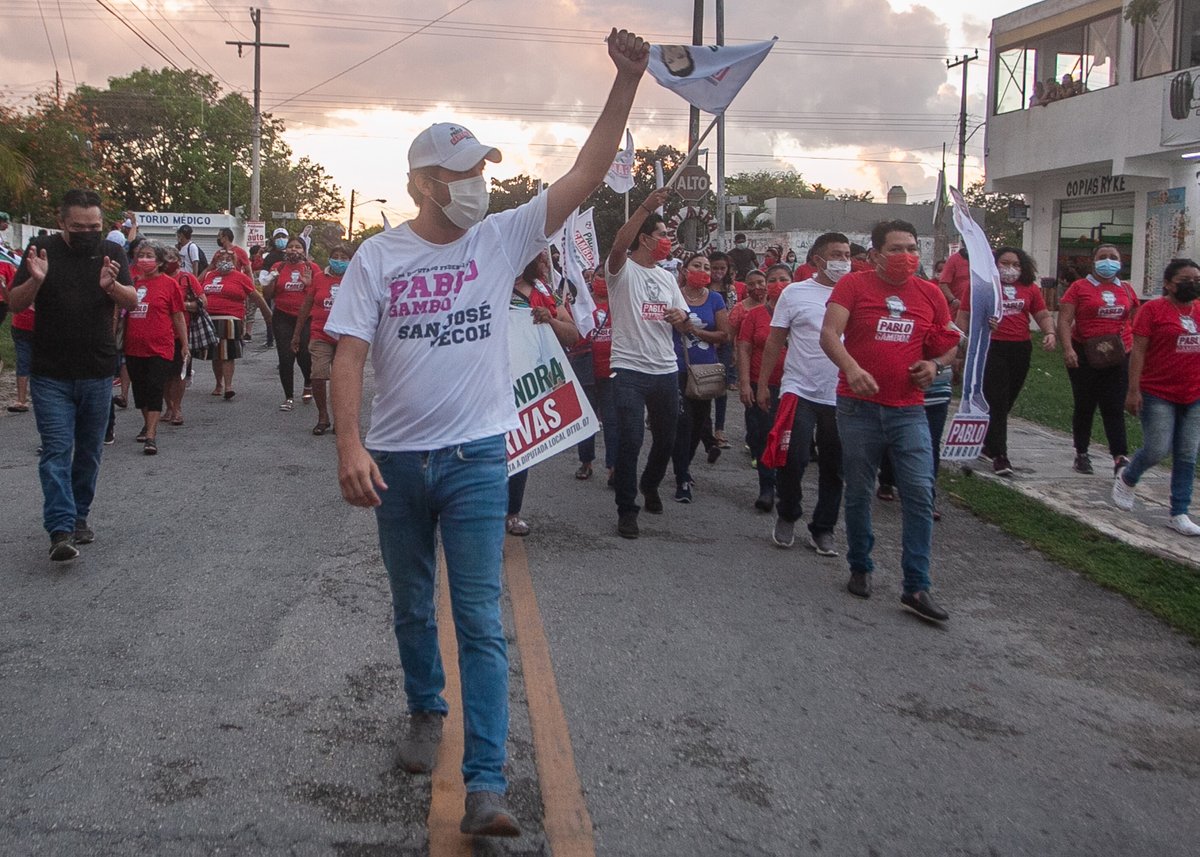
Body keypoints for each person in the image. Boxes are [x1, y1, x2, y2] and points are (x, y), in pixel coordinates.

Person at [325, 28, 651, 836]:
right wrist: (350, 446)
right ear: (426, 184)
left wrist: (627, 83)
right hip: (397, 462)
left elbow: (582, 172)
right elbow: (346, 357)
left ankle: (486, 784)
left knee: (477, 616)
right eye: (466, 174)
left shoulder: (501, 237)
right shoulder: (378, 257)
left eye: (483, 172)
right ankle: (424, 711)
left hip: (477, 459)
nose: (480, 185)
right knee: (409, 605)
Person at [819, 219, 960, 622]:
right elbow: (829, 334)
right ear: (876, 255)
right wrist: (851, 368)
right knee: (860, 489)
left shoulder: (930, 294)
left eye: (911, 248)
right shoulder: (854, 286)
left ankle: (916, 585)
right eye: (896, 249)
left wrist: (934, 365)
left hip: (909, 408)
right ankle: (860, 565)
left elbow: (947, 344)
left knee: (918, 491)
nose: (906, 256)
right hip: (858, 407)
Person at [7, 188, 137, 560]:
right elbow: (15, 303)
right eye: (79, 226)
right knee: (57, 450)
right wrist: (35, 280)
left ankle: (79, 516)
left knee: (90, 452)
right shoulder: (41, 250)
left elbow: (133, 300)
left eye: (94, 225)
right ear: (62, 222)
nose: (87, 232)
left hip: (97, 371)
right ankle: (61, 529)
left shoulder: (111, 252)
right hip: (51, 374)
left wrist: (111, 286)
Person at [758, 233, 850, 557]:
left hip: (840, 392)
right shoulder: (795, 294)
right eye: (836, 255)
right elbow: (774, 341)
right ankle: (788, 513)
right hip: (798, 387)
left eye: (847, 254)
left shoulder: (854, 293)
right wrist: (762, 384)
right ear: (818, 259)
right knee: (794, 457)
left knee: (834, 464)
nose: (843, 261)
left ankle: (823, 528)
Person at [1111, 259, 1200, 535]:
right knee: (1157, 449)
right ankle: (1128, 476)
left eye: (1196, 279)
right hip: (1158, 391)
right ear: (1168, 284)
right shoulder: (1152, 310)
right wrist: (1133, 389)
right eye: (1185, 280)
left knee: (1187, 453)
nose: (1192, 284)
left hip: (1194, 393)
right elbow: (1137, 351)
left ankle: (1179, 512)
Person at [956, 247, 1057, 475]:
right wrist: (959, 345)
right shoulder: (980, 287)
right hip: (991, 347)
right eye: (1004, 263)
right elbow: (964, 315)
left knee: (1007, 399)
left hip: (1020, 347)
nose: (1010, 269)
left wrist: (1049, 332)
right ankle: (1001, 456)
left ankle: (988, 442)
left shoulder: (1030, 289)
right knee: (998, 400)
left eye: (1015, 264)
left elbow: (1041, 314)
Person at [506, 251, 580, 534]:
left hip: (528, 382)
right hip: (490, 381)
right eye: (541, 259)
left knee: (520, 447)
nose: (548, 265)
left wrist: (550, 320)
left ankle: (512, 512)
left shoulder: (546, 293)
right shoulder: (492, 286)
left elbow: (572, 334)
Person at [1058, 244, 1139, 475]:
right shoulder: (1079, 288)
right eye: (1102, 257)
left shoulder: (1126, 289)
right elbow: (1064, 319)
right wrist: (1067, 349)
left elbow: (1134, 318)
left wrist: (1131, 343)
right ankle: (1081, 453)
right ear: (1093, 261)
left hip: (1118, 353)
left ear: (1120, 262)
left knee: (1113, 405)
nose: (1108, 261)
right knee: (1085, 404)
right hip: (1084, 351)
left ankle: (1120, 456)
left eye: (1113, 257)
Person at [671, 252, 730, 503]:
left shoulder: (715, 299)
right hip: (676, 368)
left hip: (705, 372)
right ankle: (681, 476)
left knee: (697, 425)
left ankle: (685, 464)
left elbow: (724, 335)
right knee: (681, 425)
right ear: (685, 270)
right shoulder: (673, 295)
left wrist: (694, 331)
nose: (703, 270)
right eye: (697, 265)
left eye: (706, 267)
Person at [123, 242, 187, 455]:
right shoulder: (131, 283)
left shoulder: (169, 285)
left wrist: (185, 344)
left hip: (160, 346)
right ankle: (147, 422)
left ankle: (151, 435)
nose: (143, 259)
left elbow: (177, 315)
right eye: (140, 255)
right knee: (140, 392)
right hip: (133, 346)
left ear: (159, 261)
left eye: (149, 255)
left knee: (154, 387)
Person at [738, 264, 788, 511]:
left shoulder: (801, 312)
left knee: (788, 439)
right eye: (773, 280)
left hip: (792, 385)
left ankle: (785, 485)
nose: (778, 285)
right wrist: (746, 383)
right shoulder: (756, 315)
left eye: (784, 279)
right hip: (762, 384)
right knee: (762, 436)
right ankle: (767, 486)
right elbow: (744, 348)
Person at [292, 243, 352, 436]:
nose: (339, 260)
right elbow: (306, 306)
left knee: (342, 380)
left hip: (346, 336)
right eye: (336, 256)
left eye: (344, 257)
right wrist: (296, 334)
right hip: (321, 333)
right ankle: (323, 416)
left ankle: (340, 420)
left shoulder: (355, 278)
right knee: (318, 374)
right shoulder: (319, 279)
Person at [200, 246, 271, 399]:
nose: (224, 261)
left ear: (235, 262)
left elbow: (256, 297)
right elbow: (196, 287)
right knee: (215, 355)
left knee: (227, 354)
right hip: (210, 319)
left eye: (228, 259)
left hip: (231, 319)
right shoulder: (209, 275)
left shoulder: (241, 277)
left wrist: (268, 316)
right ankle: (218, 383)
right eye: (221, 258)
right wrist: (209, 268)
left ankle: (228, 385)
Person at [264, 236, 320, 410]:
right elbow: (267, 294)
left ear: (304, 251)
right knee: (286, 357)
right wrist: (271, 280)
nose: (293, 250)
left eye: (298, 247)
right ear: (285, 250)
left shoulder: (312, 268)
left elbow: (317, 294)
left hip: (305, 317)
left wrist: (308, 284)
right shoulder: (278, 267)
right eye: (290, 247)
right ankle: (288, 397)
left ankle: (308, 382)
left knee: (304, 353)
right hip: (282, 316)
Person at [576, 270, 618, 485]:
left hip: (611, 370)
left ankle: (613, 466)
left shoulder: (621, 303)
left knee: (612, 420)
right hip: (586, 370)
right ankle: (586, 461)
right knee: (588, 419)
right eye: (598, 275)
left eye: (605, 275)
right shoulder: (581, 304)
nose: (602, 280)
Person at [161, 246, 202, 426]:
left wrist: (179, 305)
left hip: (181, 333)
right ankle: (168, 406)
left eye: (172, 257)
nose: (169, 261)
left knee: (180, 373)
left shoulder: (187, 278)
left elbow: (202, 303)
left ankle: (177, 408)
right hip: (160, 334)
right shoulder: (157, 279)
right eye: (166, 257)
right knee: (163, 375)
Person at [6, 255, 34, 413]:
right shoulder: (47, 274)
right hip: (24, 325)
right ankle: (23, 398)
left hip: (24, 324)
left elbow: (8, 294)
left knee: (25, 361)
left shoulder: (21, 274)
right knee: (26, 361)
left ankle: (22, 399)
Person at [938, 245, 969, 314]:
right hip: (958, 310)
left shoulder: (982, 260)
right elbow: (943, 284)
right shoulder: (954, 259)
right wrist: (953, 300)